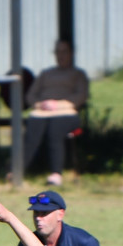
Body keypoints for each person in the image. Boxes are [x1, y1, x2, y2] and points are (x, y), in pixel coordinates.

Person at [21, 39, 90, 185]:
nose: (61, 55)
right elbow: (30, 96)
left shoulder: (78, 74)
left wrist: (57, 105)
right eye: (58, 52)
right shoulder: (46, 74)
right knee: (31, 135)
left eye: (64, 52)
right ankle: (16, 171)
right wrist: (40, 104)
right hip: (41, 112)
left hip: (66, 113)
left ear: (71, 53)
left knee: (54, 132)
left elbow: (81, 96)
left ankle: (56, 173)